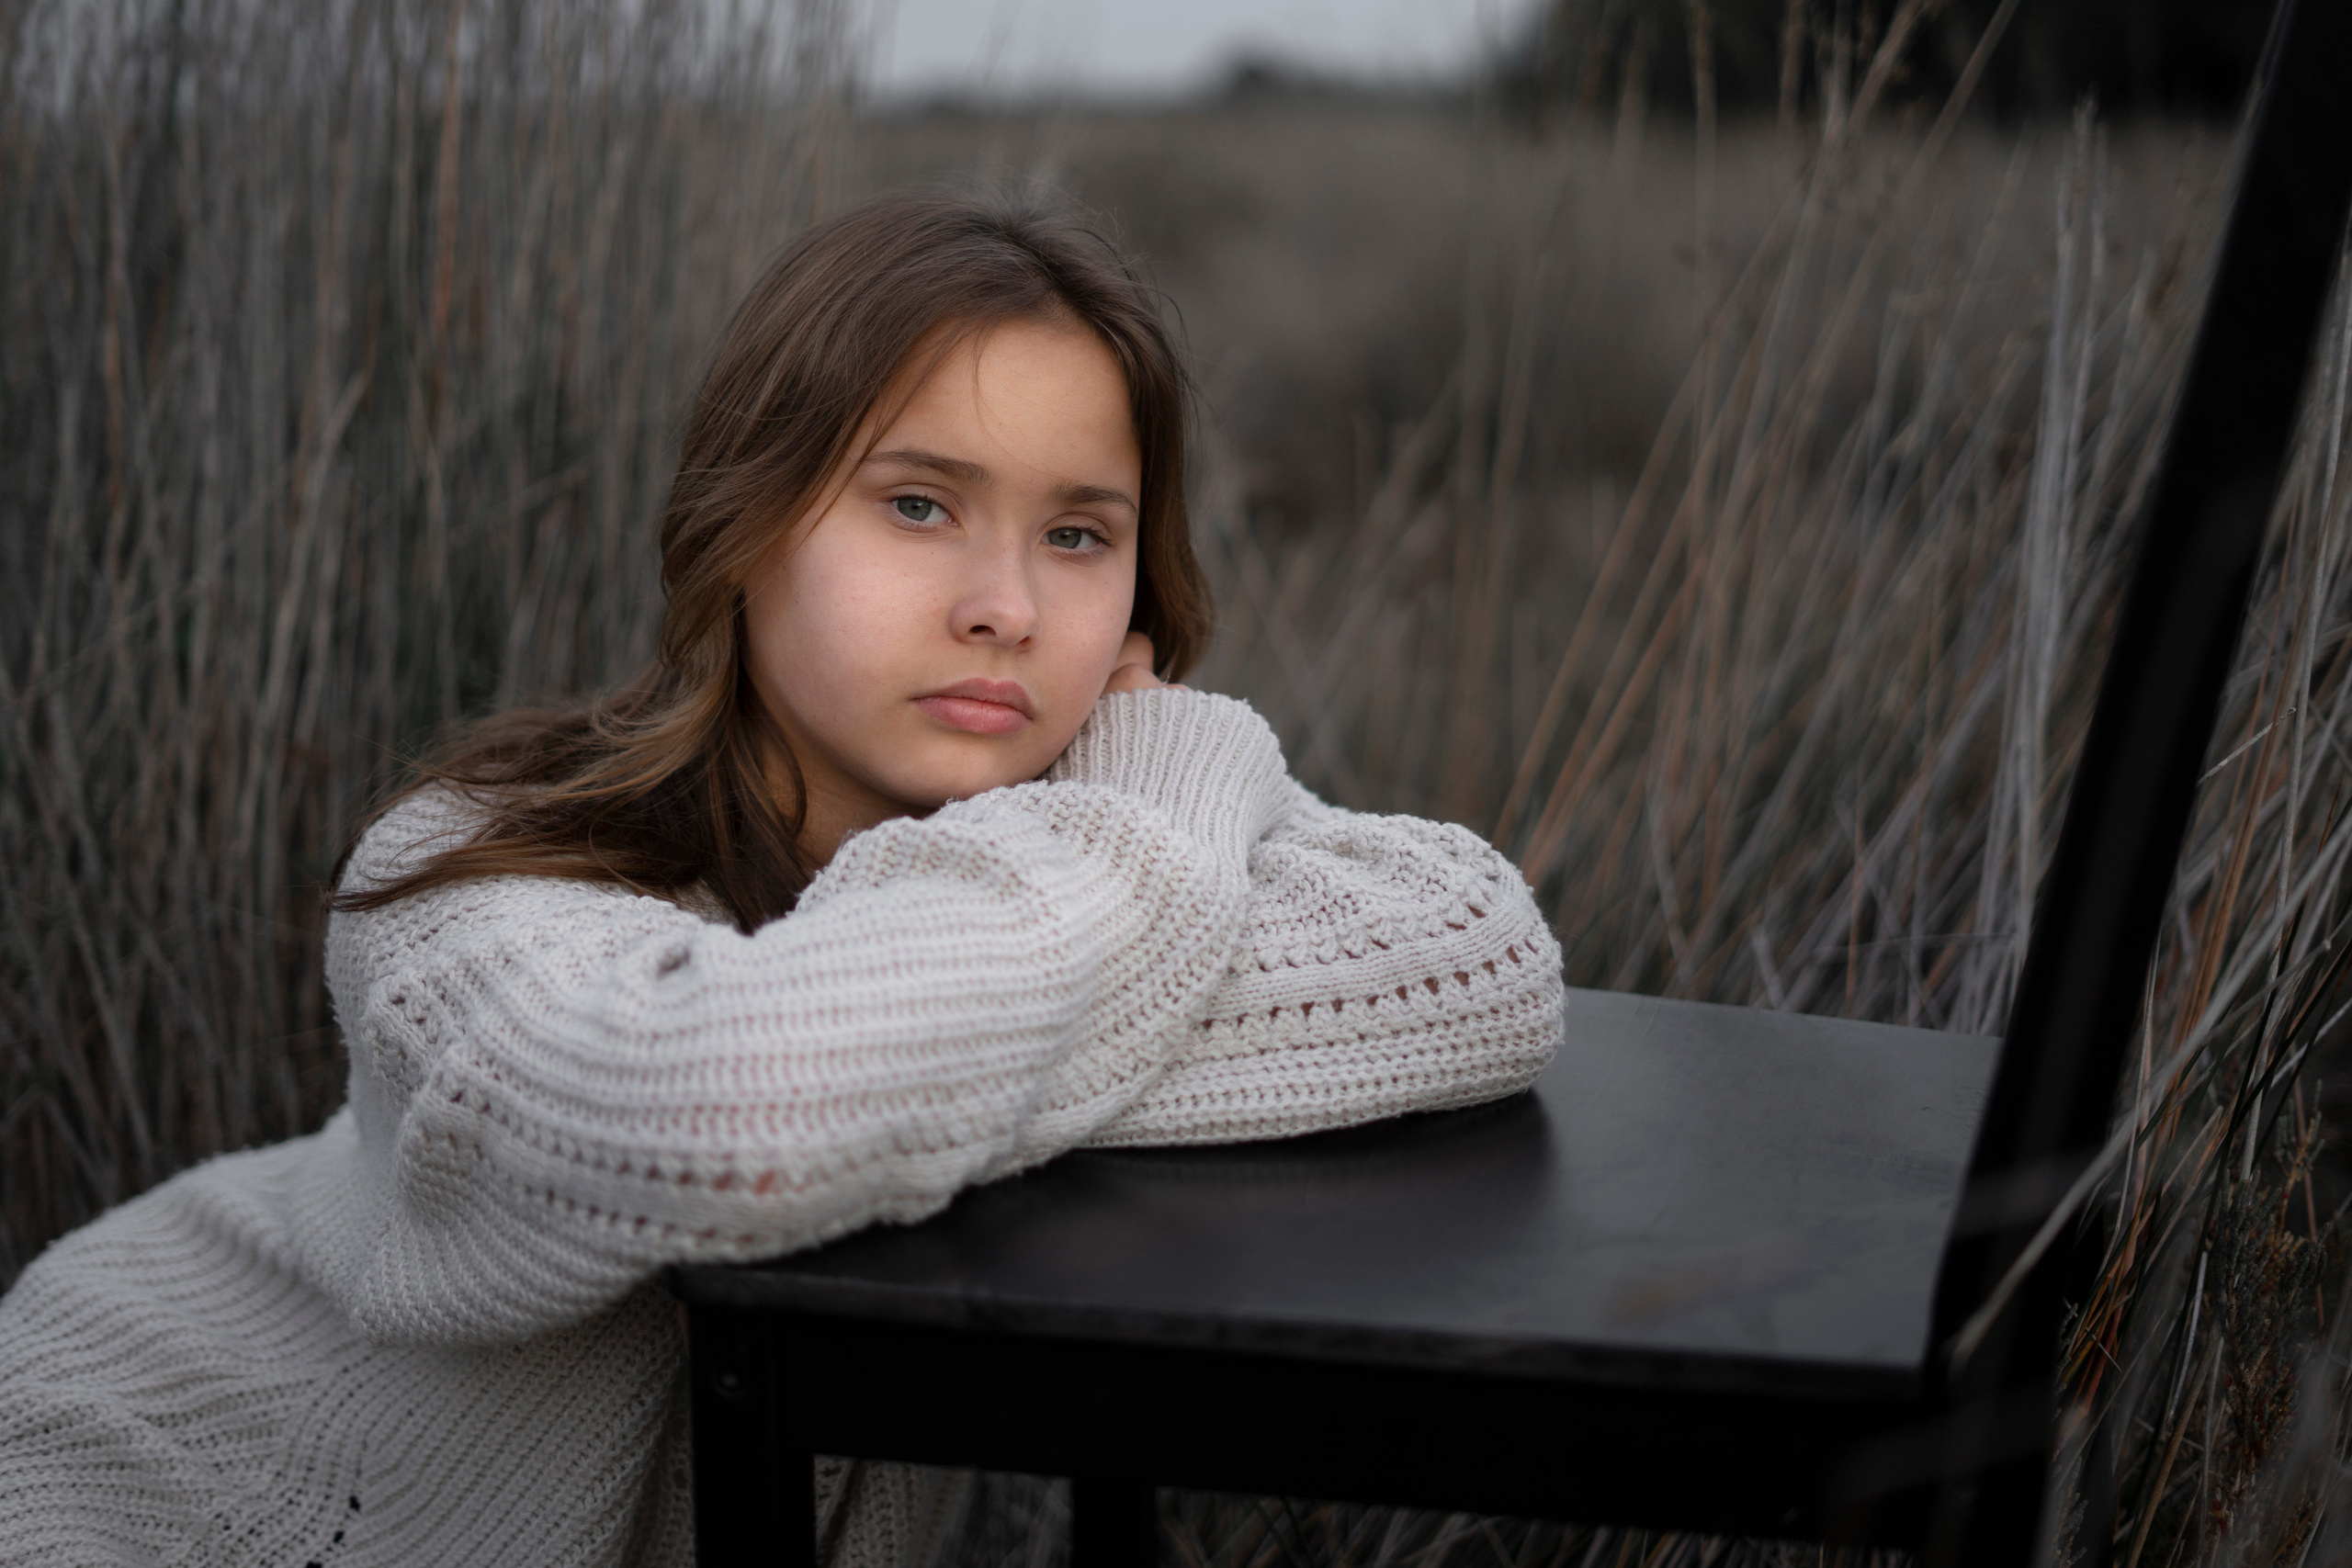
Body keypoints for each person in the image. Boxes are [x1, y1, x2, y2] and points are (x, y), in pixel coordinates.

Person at [0, 194, 1564, 1568]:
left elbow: (1479, 956)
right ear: (743, 528)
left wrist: (1110, 838)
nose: (1007, 606)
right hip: (180, 1485)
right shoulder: (467, 866)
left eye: (1081, 534)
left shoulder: (1120, 804)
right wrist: (1123, 903)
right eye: (918, 504)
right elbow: (730, 1115)